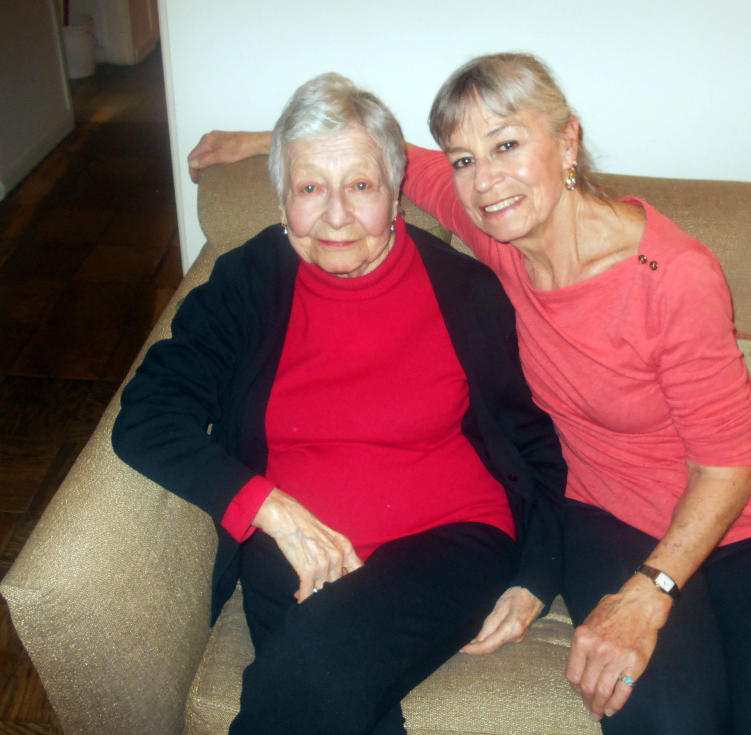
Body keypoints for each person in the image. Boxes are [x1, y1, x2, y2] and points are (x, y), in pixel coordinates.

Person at [187, 53, 751, 735]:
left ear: (567, 141)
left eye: (507, 144)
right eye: (466, 159)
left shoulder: (674, 275)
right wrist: (268, 142)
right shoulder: (496, 227)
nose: (485, 180)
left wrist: (649, 595)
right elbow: (390, 166)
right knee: (665, 720)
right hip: (609, 512)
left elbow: (726, 467)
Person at [114, 71, 566, 735]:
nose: (335, 215)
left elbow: (533, 443)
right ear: (282, 201)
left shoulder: (466, 292)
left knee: (307, 675)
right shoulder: (247, 281)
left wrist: (538, 573)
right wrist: (269, 509)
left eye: (359, 186)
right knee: (325, 690)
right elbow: (147, 414)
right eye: (309, 189)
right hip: (297, 546)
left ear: (396, 195)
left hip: (452, 539)